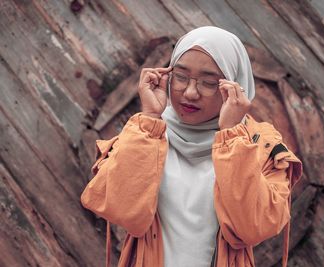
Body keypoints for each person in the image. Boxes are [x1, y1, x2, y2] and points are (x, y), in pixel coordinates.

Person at [81, 26, 303, 267]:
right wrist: (150, 119)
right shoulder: (145, 134)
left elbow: (253, 228)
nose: (189, 92)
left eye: (208, 83)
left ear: (235, 85)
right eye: (181, 77)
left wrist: (231, 137)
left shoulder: (263, 148)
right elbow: (118, 208)